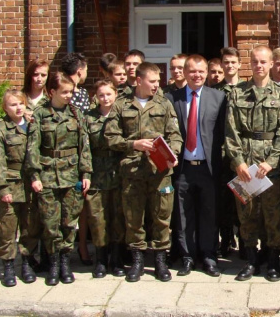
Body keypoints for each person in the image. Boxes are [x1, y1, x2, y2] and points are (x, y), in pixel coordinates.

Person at [105, 62, 182, 282]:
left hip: (159, 171)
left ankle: (160, 261)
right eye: (152, 81)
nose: (157, 85)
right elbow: (110, 137)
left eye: (158, 81)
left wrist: (173, 154)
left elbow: (175, 135)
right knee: (134, 218)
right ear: (139, 81)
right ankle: (137, 261)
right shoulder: (121, 105)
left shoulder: (164, 104)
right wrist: (133, 145)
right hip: (132, 172)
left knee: (161, 217)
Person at [225, 45, 280, 281]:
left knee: (272, 215)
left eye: (263, 62)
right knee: (247, 215)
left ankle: (273, 262)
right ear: (249, 64)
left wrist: (272, 161)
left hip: (270, 167)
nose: (259, 66)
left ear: (271, 64)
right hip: (246, 165)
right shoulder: (237, 93)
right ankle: (251, 260)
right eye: (254, 62)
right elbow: (231, 132)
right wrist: (238, 162)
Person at [25, 72, 92, 286]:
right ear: (51, 92)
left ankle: (65, 262)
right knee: (50, 223)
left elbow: (85, 146)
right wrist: (34, 175)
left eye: (71, 92)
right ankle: (53, 263)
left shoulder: (76, 114)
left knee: (69, 222)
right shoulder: (40, 115)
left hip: (71, 175)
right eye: (64, 92)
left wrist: (86, 173)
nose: (69, 96)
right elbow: (33, 147)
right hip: (48, 176)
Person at [165, 55, 226, 277]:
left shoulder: (218, 98)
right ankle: (187, 257)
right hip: (183, 168)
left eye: (201, 71)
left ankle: (209, 257)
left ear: (207, 72)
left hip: (208, 168)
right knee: (183, 215)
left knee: (209, 214)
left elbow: (222, 135)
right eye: (192, 71)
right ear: (185, 72)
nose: (197, 75)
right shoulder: (172, 98)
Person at [0, 89, 41, 287]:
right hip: (10, 183)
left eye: (21, 103)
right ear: (4, 107)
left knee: (30, 226)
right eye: (13, 105)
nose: (18, 108)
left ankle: (27, 263)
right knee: (7, 228)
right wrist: (2, 189)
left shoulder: (32, 125)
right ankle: (8, 266)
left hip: (30, 184)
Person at [84, 80, 125, 278]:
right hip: (97, 173)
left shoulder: (122, 114)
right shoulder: (88, 118)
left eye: (109, 94)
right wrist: (85, 173)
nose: (105, 98)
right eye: (101, 95)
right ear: (96, 97)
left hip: (118, 171)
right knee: (97, 217)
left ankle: (116, 259)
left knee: (117, 217)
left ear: (115, 94)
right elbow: (84, 149)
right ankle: (100, 259)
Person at [60, 52, 92, 265]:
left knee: (78, 206)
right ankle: (68, 251)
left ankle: (77, 249)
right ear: (80, 71)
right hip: (66, 159)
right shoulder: (76, 95)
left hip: (79, 158)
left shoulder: (81, 93)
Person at [213, 46, 243, 257]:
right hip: (223, 154)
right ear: (222, 65)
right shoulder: (214, 92)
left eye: (233, 62)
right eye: (226, 62)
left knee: (243, 197)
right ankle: (225, 240)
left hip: (243, 152)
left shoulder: (247, 89)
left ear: (239, 64)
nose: (230, 65)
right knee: (223, 198)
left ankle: (244, 241)